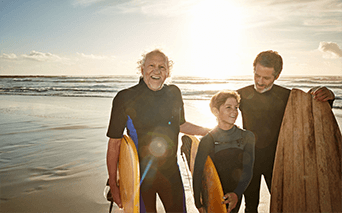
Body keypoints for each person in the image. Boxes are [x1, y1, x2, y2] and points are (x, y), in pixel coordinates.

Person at [106, 49, 209, 213]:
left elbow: (180, 125)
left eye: (162, 67)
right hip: (140, 177)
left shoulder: (174, 93)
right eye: (151, 65)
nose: (157, 70)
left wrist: (207, 131)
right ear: (142, 69)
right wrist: (114, 183)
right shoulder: (125, 97)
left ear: (168, 72)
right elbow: (115, 142)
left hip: (171, 173)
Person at [237, 50, 335, 212]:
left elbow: (313, 114)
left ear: (277, 76)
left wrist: (329, 96)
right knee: (251, 206)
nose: (260, 82)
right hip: (249, 160)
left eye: (266, 78)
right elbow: (222, 110)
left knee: (284, 206)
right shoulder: (241, 94)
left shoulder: (287, 97)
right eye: (257, 75)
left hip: (278, 162)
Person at [193, 90, 255, 213]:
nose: (234, 112)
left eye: (236, 107)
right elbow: (198, 172)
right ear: (216, 111)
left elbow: (248, 169)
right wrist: (198, 203)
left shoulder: (247, 137)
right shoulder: (208, 140)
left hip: (235, 194)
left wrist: (237, 194)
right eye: (228, 107)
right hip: (213, 195)